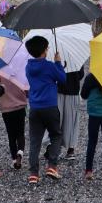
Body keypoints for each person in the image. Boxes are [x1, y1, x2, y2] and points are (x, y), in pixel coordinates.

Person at [25, 35, 66, 185]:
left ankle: (33, 174)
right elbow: (62, 79)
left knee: (35, 141)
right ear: (43, 50)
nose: (48, 49)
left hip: (35, 107)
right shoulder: (49, 66)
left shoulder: (28, 67)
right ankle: (52, 166)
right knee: (56, 135)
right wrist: (58, 63)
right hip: (50, 106)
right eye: (47, 47)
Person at [80, 72, 102, 182]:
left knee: (92, 141)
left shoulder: (91, 77)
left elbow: (83, 95)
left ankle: (89, 171)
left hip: (94, 112)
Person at [0, 74, 27, 169]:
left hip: (6, 108)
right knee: (20, 133)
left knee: (11, 135)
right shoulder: (19, 71)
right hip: (20, 105)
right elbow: (26, 87)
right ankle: (20, 152)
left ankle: (14, 160)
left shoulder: (0, 72)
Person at [57, 66, 84, 159]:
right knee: (72, 121)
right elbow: (81, 75)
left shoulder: (57, 55)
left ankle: (56, 148)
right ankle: (71, 149)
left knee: (58, 120)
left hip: (59, 91)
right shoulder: (76, 56)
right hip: (73, 91)